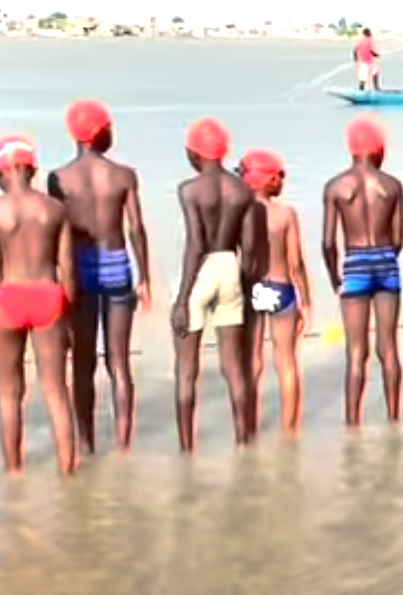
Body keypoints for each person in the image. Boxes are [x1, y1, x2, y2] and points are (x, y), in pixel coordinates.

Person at [47, 99, 151, 455]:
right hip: (117, 264)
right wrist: (146, 277)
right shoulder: (123, 175)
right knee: (119, 363)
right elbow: (136, 228)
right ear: (102, 132)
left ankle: (87, 443)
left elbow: (54, 234)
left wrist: (56, 282)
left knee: (83, 363)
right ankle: (123, 445)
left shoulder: (59, 178)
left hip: (78, 270)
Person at [0, 137, 79, 473]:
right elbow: (68, 271)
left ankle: (14, 471)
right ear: (32, 170)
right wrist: (71, 313)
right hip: (48, 295)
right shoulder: (55, 210)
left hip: (9, 297)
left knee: (9, 391)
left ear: (3, 172)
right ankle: (67, 470)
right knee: (55, 390)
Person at [172, 118, 257, 448]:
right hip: (229, 267)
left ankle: (186, 447)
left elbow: (195, 242)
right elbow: (248, 250)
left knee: (186, 368)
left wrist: (182, 299)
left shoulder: (189, 190)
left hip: (201, 268)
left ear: (194, 154)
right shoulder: (242, 191)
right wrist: (245, 289)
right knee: (234, 367)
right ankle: (243, 441)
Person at [323, 116, 403, 425]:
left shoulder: (336, 187)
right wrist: (385, 257)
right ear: (378, 150)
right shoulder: (392, 186)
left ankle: (353, 422)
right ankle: (394, 417)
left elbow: (328, 242)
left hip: (355, 262)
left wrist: (335, 277)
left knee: (356, 351)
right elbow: (398, 238)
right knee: (389, 346)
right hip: (386, 260)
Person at [239, 149, 312, 435]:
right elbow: (295, 262)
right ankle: (290, 430)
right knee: (286, 361)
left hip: (253, 290)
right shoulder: (285, 214)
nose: (283, 181)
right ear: (269, 180)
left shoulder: (240, 213)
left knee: (252, 361)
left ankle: (249, 427)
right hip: (281, 288)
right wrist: (306, 300)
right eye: (280, 175)